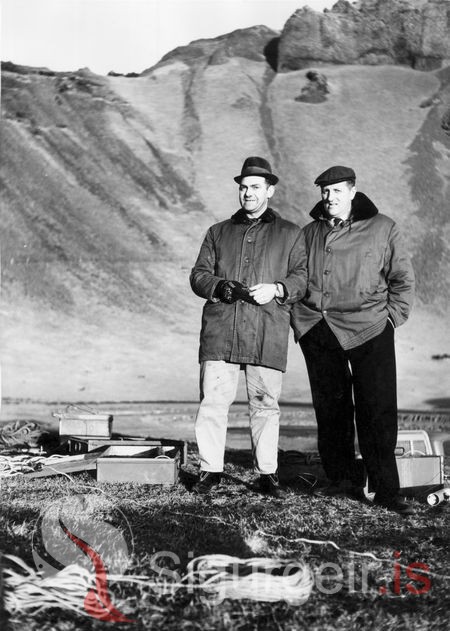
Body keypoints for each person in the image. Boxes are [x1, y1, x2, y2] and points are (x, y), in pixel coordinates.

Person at [290, 165, 415, 515]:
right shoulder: (309, 233)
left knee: (377, 409)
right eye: (325, 191)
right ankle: (343, 480)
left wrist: (391, 318)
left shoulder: (383, 227)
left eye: (337, 191)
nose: (329, 197)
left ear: (352, 191)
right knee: (331, 409)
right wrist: (302, 323)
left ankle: (386, 490)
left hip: (370, 328)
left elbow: (403, 279)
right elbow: (296, 277)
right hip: (319, 328)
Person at [190, 156, 307, 497]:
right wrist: (220, 286)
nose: (248, 193)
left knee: (265, 404)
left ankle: (267, 474)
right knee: (212, 402)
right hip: (221, 330)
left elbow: (302, 278)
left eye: (256, 187)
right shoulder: (218, 232)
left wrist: (278, 288)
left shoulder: (290, 234)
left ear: (270, 190)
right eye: (243, 187)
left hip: (266, 330)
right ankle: (210, 471)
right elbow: (198, 275)